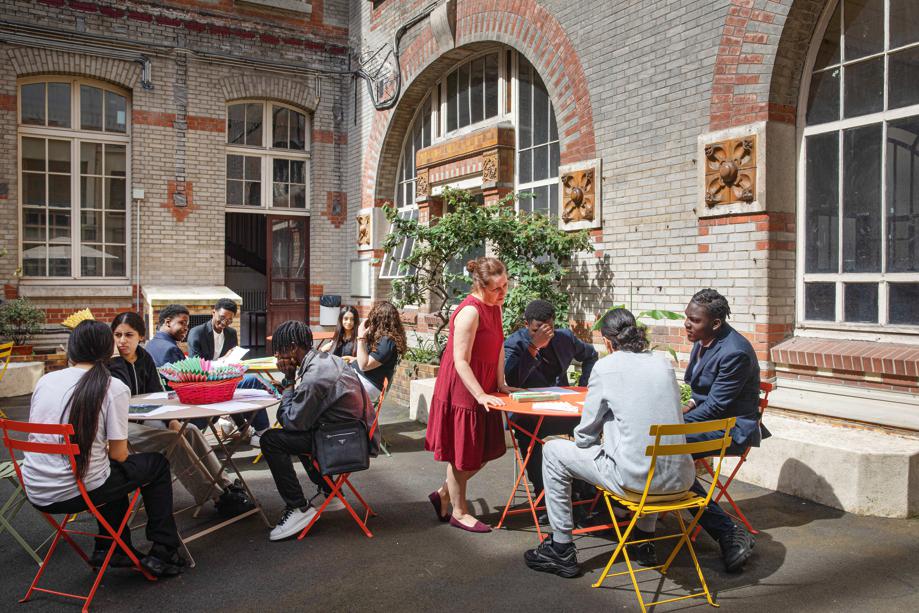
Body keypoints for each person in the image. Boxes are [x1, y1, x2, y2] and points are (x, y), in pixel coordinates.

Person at [524, 308, 694, 578]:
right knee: (648, 445)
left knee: (554, 451)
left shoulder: (606, 367)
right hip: (680, 479)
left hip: (634, 480)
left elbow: (586, 432)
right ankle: (644, 539)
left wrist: (593, 437)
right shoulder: (662, 363)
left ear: (607, 342)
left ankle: (561, 547)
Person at [20, 320, 185, 577]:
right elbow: (119, 454)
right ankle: (164, 548)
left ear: (71, 349)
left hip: (36, 488)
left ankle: (110, 547)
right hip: (75, 490)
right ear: (109, 351)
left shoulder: (46, 381)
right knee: (154, 465)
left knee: (108, 471)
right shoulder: (113, 387)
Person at [109, 312, 253, 518]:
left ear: (140, 336)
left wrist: (173, 420)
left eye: (128, 335)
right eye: (117, 335)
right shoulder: (111, 363)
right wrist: (116, 359)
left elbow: (158, 394)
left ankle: (226, 485)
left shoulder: (144, 357)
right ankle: (216, 496)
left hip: (145, 420)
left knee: (190, 430)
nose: (122, 341)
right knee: (173, 440)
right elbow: (120, 397)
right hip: (119, 428)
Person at [425, 257, 519, 533]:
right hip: (464, 389)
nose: (503, 293)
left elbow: (499, 346)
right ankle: (459, 511)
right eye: (497, 288)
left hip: (485, 386)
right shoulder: (470, 312)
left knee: (486, 449)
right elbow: (460, 361)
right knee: (464, 454)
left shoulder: (495, 308)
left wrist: (501, 382)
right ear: (480, 284)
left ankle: (444, 493)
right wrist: (479, 394)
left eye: (505, 285)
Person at [261, 321, 378, 541]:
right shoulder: (325, 360)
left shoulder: (315, 375)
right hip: (350, 434)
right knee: (303, 433)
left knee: (271, 440)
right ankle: (331, 492)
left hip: (345, 443)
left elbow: (291, 421)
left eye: (280, 350)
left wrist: (288, 381)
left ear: (294, 346)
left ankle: (298, 508)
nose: (278, 356)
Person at [682, 288, 761, 573]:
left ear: (716, 323)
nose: (687, 324)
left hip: (732, 429)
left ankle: (728, 531)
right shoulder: (703, 338)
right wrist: (684, 406)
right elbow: (699, 392)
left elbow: (716, 407)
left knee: (669, 451)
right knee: (665, 450)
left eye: (695, 320)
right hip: (709, 420)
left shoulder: (735, 352)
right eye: (687, 318)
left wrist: (673, 425)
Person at [504, 299, 598, 497]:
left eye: (549, 328)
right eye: (537, 329)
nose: (545, 334)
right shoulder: (515, 344)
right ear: (526, 325)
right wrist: (533, 347)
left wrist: (583, 386)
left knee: (592, 425)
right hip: (529, 414)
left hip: (563, 409)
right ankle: (543, 494)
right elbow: (511, 379)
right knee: (530, 435)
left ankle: (587, 488)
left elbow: (591, 355)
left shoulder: (564, 338)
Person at [186, 298, 270, 444]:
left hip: (225, 381)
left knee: (251, 387)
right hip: (205, 385)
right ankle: (260, 430)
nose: (225, 323)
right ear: (213, 312)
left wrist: (236, 363)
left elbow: (232, 363)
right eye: (222, 318)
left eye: (229, 320)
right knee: (253, 381)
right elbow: (197, 368)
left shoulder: (230, 333)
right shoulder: (196, 333)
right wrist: (222, 361)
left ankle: (257, 431)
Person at [353, 301, 407, 404]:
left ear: (377, 319)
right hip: (361, 378)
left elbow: (364, 366)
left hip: (368, 384)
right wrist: (354, 359)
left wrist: (361, 338)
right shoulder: (382, 338)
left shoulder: (387, 342)